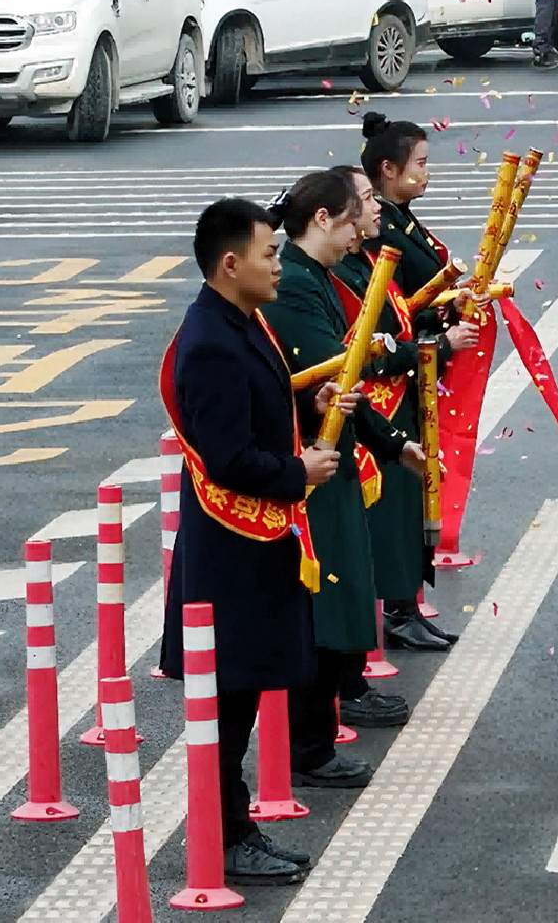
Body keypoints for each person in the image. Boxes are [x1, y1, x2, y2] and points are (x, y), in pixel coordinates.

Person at [159, 199, 346, 887]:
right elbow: (228, 456)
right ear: (230, 263)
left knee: (236, 698)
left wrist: (310, 408)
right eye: (270, 253)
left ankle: (232, 827)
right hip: (231, 548)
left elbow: (258, 410)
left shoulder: (241, 319)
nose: (279, 263)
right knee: (227, 701)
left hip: (252, 544)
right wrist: (300, 472)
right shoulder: (210, 341)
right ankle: (226, 836)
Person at [259, 168, 415, 786]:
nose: (362, 230)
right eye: (357, 215)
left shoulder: (316, 278)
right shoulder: (297, 285)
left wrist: (390, 441)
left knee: (342, 599)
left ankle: (318, 736)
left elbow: (340, 382)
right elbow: (330, 379)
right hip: (312, 466)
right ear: (323, 218)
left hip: (336, 454)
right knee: (324, 604)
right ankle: (308, 748)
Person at [332, 165, 466, 652]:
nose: (376, 209)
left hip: (401, 405)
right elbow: (373, 348)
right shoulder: (343, 274)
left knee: (408, 510)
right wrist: (441, 346)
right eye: (367, 200)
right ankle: (394, 611)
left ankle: (406, 606)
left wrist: (442, 310)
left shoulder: (370, 260)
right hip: (377, 411)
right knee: (388, 518)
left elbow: (401, 317)